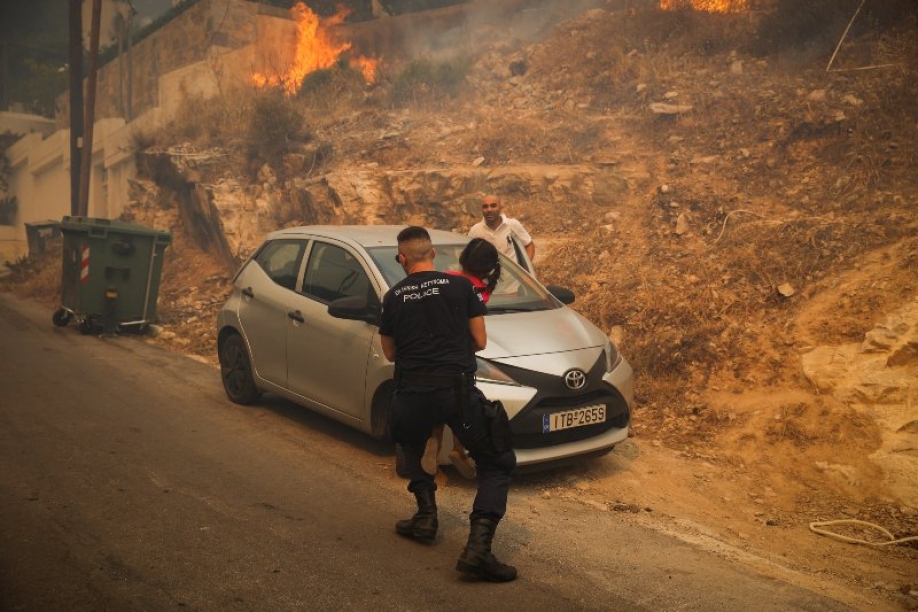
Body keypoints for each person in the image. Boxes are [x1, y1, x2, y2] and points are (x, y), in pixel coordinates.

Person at [380, 226, 518, 583]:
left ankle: (426, 517)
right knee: (496, 462)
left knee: (411, 446)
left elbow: (391, 352)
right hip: (455, 392)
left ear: (402, 259)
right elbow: (480, 341)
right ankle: (478, 550)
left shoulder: (393, 297)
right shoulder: (461, 287)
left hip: (411, 393)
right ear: (434, 254)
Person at [423, 238, 503, 480]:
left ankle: (432, 441)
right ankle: (459, 449)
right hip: (460, 357)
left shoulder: (442, 278)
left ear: (462, 258)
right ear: (489, 268)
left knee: (437, 402)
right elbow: (479, 340)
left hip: (433, 353)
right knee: (461, 408)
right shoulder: (482, 292)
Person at [468, 194, 535, 267]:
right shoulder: (475, 230)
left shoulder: (513, 225)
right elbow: (468, 254)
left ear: (500, 207)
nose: (489, 210)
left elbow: (529, 245)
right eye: (485, 206)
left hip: (511, 276)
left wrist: (525, 269)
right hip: (486, 277)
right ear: (481, 209)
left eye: (493, 206)